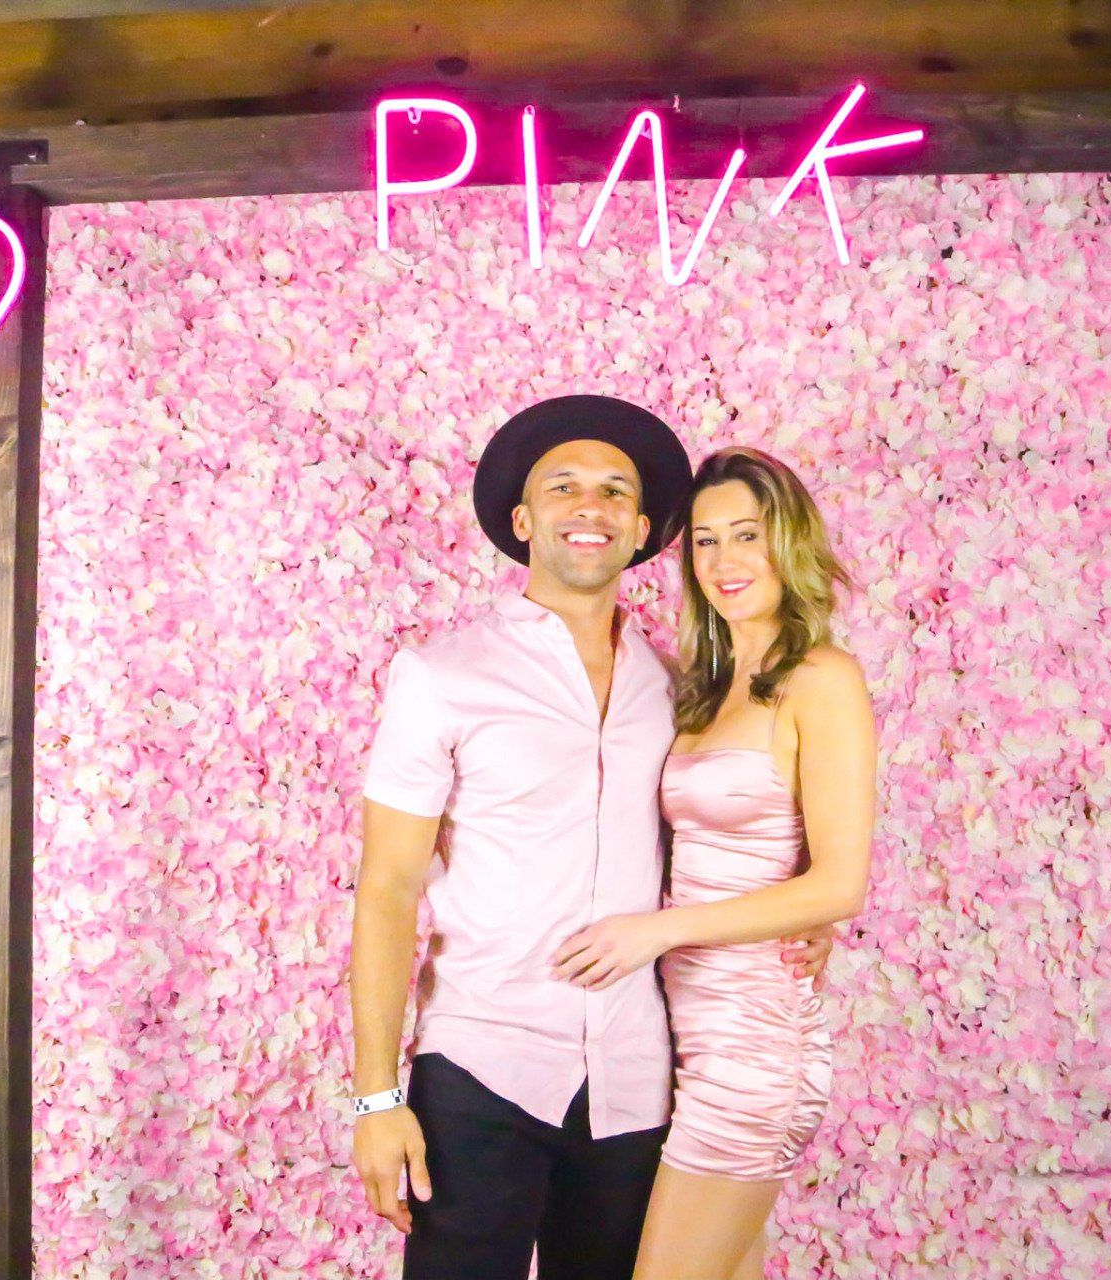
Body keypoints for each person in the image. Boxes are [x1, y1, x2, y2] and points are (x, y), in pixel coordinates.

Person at [348, 397, 840, 1280]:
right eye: (564, 487)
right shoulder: (440, 677)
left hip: (635, 1080)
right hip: (481, 1069)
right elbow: (386, 889)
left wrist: (807, 912)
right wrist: (377, 1099)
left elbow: (722, 830)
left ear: (644, 531)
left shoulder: (679, 689)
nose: (591, 506)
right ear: (522, 521)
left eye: (616, 491)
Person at [548, 445, 877, 1280]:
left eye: (748, 535)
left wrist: (658, 931)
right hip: (686, 1039)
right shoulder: (703, 686)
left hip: (753, 1046)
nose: (726, 560)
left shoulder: (822, 678)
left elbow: (840, 881)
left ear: (789, 542)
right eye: (706, 541)